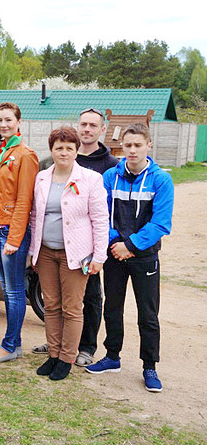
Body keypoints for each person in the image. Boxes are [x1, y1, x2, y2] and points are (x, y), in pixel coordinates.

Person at [86, 123, 174, 393]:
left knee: (148, 314)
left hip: (144, 257)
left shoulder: (161, 180)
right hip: (115, 254)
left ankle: (150, 366)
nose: (132, 150)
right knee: (112, 307)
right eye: (128, 145)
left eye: (138, 145)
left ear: (149, 146)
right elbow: (101, 214)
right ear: (121, 147)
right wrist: (117, 243)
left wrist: (132, 245)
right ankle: (112, 357)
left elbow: (161, 223)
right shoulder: (110, 176)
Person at [32, 108, 119, 366]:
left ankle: (66, 359)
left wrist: (99, 256)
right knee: (51, 305)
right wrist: (33, 252)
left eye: (70, 148)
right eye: (59, 148)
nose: (64, 152)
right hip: (47, 251)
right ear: (52, 150)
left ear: (76, 150)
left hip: (76, 253)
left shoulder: (90, 179)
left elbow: (100, 220)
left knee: (72, 308)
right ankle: (53, 353)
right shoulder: (42, 178)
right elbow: (36, 215)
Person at [0, 102, 38, 363]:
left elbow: (25, 200)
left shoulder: (26, 155)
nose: (3, 125)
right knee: (7, 287)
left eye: (8, 120)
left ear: (18, 122)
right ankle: (12, 343)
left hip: (9, 232)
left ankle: (11, 345)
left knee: (14, 292)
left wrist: (14, 238)